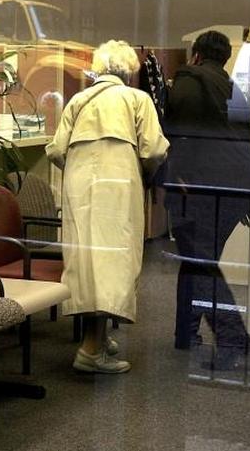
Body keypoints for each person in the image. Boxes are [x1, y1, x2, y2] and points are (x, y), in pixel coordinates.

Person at [46, 40, 169, 374]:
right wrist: (142, 172)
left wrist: (78, 169)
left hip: (79, 183)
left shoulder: (79, 100)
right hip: (120, 182)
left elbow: (56, 150)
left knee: (85, 259)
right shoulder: (137, 99)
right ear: (129, 71)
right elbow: (155, 149)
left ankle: (94, 338)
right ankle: (91, 351)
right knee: (113, 260)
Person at [163, 31, 250, 369]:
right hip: (238, 185)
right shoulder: (232, 88)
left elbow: (181, 133)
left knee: (201, 264)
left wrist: (180, 175)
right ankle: (185, 334)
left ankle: (234, 339)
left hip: (203, 188)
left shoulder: (189, 78)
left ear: (196, 55)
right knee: (197, 260)